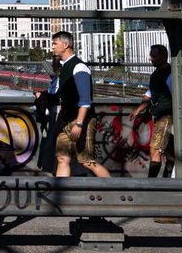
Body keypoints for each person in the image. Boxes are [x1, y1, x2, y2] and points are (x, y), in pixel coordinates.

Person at [49, 31, 111, 178]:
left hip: (80, 120)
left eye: (55, 44)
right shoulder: (65, 67)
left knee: (87, 161)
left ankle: (114, 190)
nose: (52, 47)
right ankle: (62, 195)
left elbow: (85, 99)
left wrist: (79, 124)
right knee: (62, 158)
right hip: (66, 120)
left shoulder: (79, 67)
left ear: (66, 45)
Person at [126, 43, 173, 178]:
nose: (150, 59)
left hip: (166, 116)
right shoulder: (157, 74)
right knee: (166, 149)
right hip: (160, 115)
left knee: (155, 148)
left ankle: (151, 181)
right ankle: (166, 177)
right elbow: (150, 94)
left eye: (153, 56)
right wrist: (138, 110)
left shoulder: (169, 75)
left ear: (163, 56)